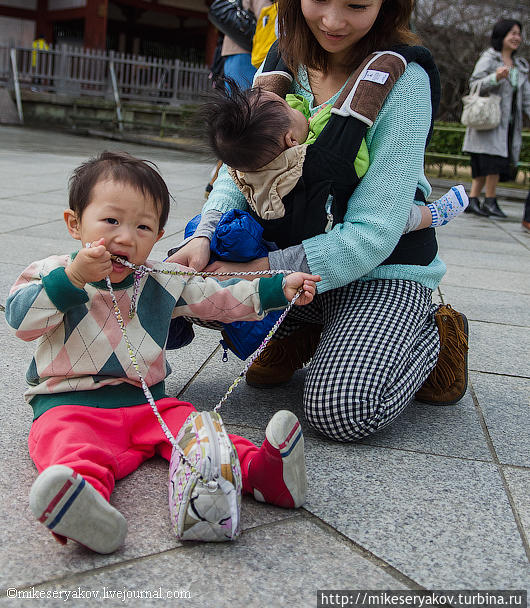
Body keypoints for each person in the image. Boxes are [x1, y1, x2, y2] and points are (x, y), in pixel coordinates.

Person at [168, 0, 469, 444]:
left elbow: (377, 233)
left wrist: (260, 270)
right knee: (181, 276)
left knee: (340, 410)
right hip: (295, 254)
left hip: (382, 268)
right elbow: (241, 171)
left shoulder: (403, 82)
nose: (333, 21)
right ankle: (306, 325)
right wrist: (206, 237)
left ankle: (432, 336)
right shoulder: (282, 59)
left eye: (356, 5)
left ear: (388, 1)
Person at [5, 151, 319, 554]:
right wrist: (72, 279)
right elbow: (22, 321)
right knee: (70, 447)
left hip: (151, 405)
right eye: (111, 221)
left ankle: (265, 474)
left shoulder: (161, 279)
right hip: (69, 405)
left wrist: (278, 288)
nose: (126, 237)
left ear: (157, 236)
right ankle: (84, 508)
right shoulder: (49, 272)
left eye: (143, 226)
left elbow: (217, 296)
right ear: (75, 223)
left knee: (199, 432)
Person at [202, 82, 469, 235]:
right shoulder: (307, 157)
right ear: (292, 142)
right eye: (286, 105)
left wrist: (287, 112)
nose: (294, 104)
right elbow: (357, 165)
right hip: (334, 217)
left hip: (279, 230)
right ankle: (434, 214)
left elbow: (285, 120)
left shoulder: (251, 162)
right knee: (396, 217)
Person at [204, 0, 278, 197]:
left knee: (233, 116)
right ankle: (228, 178)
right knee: (248, 119)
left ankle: (216, 177)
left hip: (229, 57)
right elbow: (266, 23)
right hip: (248, 57)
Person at [463, 19, 530, 218]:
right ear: (502, 36)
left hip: (508, 124)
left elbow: (526, 97)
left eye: (519, 33)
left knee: (497, 161)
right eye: (513, 33)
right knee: (488, 162)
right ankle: (487, 200)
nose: (517, 37)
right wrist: (495, 78)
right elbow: (474, 83)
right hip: (488, 120)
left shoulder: (520, 66)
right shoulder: (489, 58)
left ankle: (477, 200)